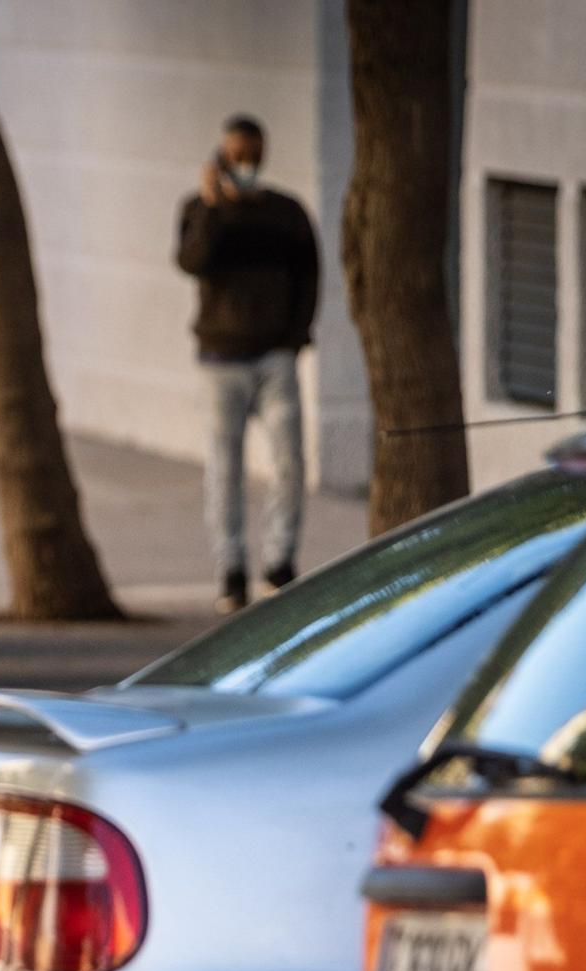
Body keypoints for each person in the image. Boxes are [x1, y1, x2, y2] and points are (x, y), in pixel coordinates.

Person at [175, 114, 320, 611]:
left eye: (253, 155)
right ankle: (230, 570)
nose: (246, 165)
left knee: (288, 463)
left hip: (275, 357)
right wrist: (215, 207)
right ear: (220, 156)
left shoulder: (287, 213)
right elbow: (191, 261)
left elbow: (309, 279)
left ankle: (280, 563)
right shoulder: (201, 210)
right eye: (236, 156)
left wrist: (294, 338)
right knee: (224, 468)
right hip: (221, 360)